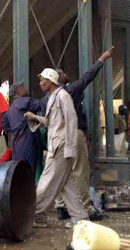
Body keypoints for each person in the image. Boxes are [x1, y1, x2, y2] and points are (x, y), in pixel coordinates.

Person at [51, 47, 114, 222]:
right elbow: (88, 76)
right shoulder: (70, 90)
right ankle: (86, 209)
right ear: (58, 79)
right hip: (73, 134)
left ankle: (61, 207)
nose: (65, 74)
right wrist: (102, 58)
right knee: (80, 172)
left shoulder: (50, 97)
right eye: (62, 73)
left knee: (61, 171)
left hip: (56, 136)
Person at [25, 69, 88, 229]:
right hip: (57, 145)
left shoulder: (62, 96)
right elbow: (52, 122)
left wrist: (70, 148)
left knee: (46, 182)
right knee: (68, 184)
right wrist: (35, 118)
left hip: (61, 146)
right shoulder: (53, 97)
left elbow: (71, 120)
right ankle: (81, 219)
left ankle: (37, 215)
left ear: (51, 81)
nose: (40, 83)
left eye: (42, 80)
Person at [1, 81, 42, 173]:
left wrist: (16, 128)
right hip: (29, 140)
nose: (25, 88)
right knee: (30, 170)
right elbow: (41, 104)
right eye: (22, 87)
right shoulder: (26, 101)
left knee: (19, 169)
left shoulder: (10, 109)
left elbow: (4, 124)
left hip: (16, 143)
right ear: (17, 91)